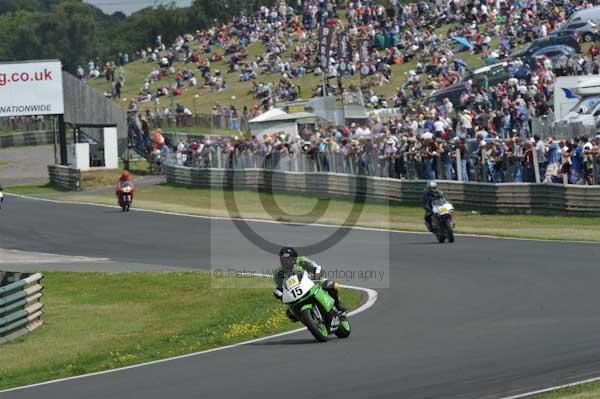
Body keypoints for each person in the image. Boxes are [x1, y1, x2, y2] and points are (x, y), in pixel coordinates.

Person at [272, 247, 347, 321]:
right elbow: (279, 287)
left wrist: (317, 277)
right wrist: (280, 295)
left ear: (294, 258)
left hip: (313, 283)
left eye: (288, 259)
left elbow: (317, 268)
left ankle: (338, 305)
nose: (285, 262)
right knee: (290, 314)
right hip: (296, 293)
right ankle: (309, 320)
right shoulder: (279, 272)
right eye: (283, 259)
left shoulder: (302, 261)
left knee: (332, 285)